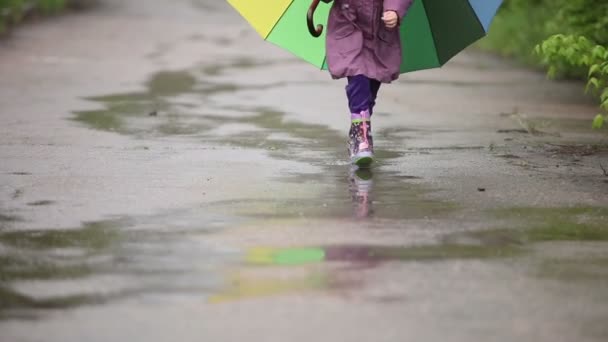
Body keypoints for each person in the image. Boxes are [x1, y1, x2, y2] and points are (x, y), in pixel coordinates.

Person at [322, 0, 414, 166]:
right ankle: (362, 136)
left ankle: (359, 128)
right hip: (348, 24)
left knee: (371, 86)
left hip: (380, 29)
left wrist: (394, 10)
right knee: (358, 75)